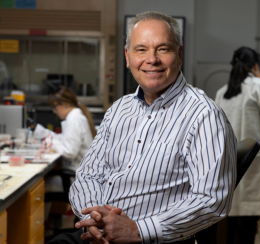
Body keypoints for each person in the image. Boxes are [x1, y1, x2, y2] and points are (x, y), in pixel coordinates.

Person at [49, 11, 236, 244]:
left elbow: (212, 199)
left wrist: (137, 230)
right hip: (98, 234)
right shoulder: (119, 109)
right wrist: (97, 218)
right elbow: (88, 174)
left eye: (163, 49)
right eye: (141, 49)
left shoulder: (204, 115)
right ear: (128, 57)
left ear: (179, 54)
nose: (152, 59)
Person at [215, 47, 260, 244]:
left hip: (225, 164)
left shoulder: (223, 92)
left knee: (227, 224)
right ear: (255, 66)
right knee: (246, 226)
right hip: (252, 164)